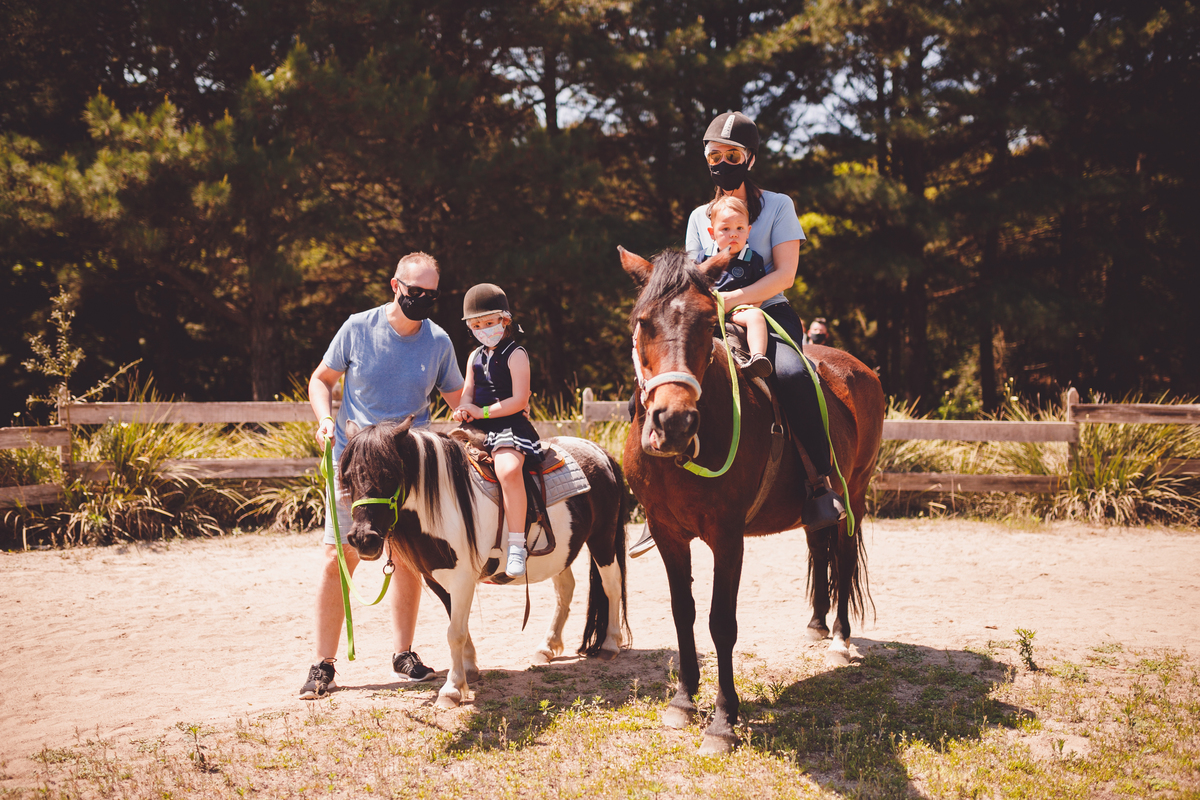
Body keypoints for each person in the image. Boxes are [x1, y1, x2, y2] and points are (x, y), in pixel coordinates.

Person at [628, 111, 844, 559]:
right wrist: (710, 308)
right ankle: (656, 503)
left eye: (732, 154)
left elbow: (785, 275)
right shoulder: (697, 217)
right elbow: (689, 277)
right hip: (710, 318)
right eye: (714, 155)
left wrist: (733, 299)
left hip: (770, 314)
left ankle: (818, 485)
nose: (722, 162)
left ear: (750, 159)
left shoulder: (779, 206)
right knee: (655, 384)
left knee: (793, 376)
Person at [301, 251, 465, 700]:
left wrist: (483, 421)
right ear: (396, 286)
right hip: (358, 466)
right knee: (341, 559)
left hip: (413, 470)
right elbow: (321, 379)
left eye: (431, 295)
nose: (423, 300)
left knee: (409, 560)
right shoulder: (357, 327)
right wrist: (323, 419)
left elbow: (458, 401)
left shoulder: (439, 341)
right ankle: (323, 664)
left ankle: (404, 654)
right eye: (415, 292)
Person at [452, 284, 543, 578]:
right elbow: (467, 392)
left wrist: (484, 412)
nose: (482, 329)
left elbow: (520, 399)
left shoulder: (516, 353)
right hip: (477, 425)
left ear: (504, 320)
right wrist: (464, 408)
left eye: (488, 323)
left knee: (507, 469)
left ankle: (517, 542)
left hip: (508, 422)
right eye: (476, 325)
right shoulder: (473, 357)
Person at [698, 195, 773, 380]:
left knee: (756, 316)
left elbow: (760, 289)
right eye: (725, 228)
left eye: (740, 228)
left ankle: (757, 358)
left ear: (748, 231)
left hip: (739, 310)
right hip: (709, 311)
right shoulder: (703, 258)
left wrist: (751, 307)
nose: (733, 234)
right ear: (711, 233)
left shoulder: (753, 259)